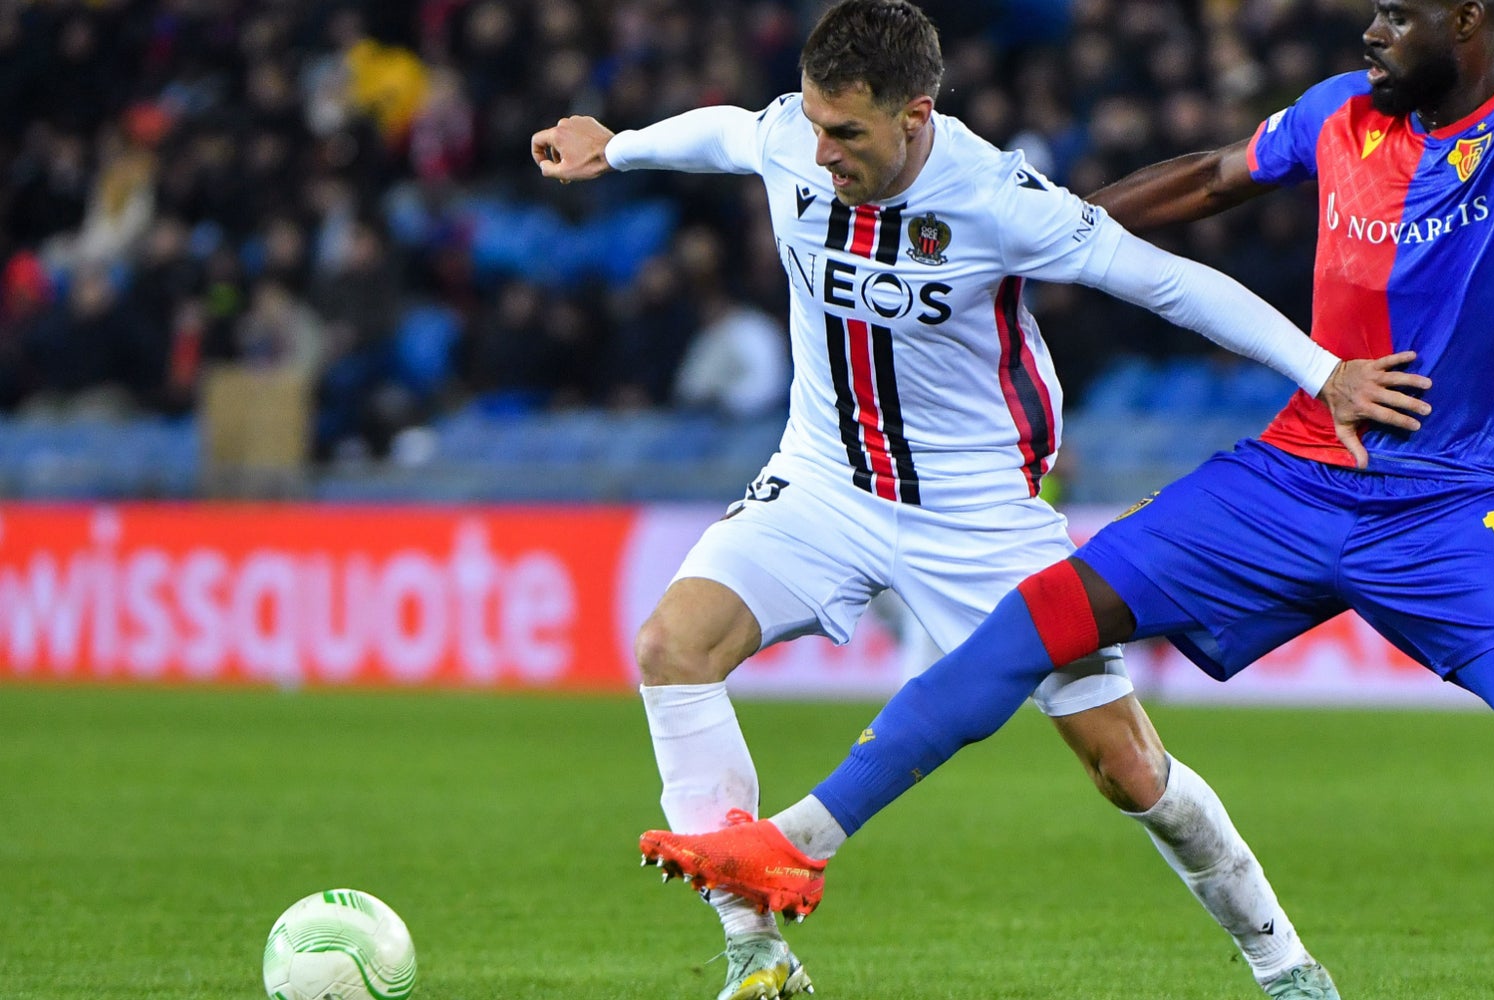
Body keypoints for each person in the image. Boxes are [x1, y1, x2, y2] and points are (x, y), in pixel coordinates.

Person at [637, 1, 1494, 997]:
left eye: (1395, 15)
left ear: (1471, 18)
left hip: (1447, 499)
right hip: (1290, 471)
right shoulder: (1341, 111)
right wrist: (1057, 228)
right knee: (1045, 615)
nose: (1369, 33)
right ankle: (798, 842)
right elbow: (1213, 177)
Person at [530, 2, 1415, 997]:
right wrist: (621, 148)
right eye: (815, 126)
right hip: (823, 481)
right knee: (670, 647)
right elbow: (731, 130)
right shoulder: (793, 137)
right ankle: (760, 958)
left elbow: (1168, 284)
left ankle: (1284, 966)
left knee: (1125, 767)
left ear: (915, 115)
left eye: (847, 134)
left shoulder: (998, 198)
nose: (820, 153)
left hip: (978, 515)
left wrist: (1319, 369)